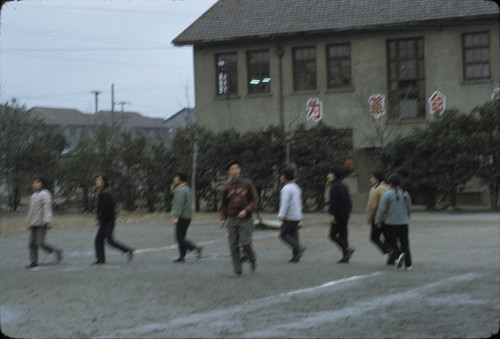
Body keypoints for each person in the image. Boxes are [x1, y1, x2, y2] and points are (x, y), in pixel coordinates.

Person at [220, 160, 259, 277]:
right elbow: (223, 204)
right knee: (233, 245)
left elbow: (254, 199)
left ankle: (252, 258)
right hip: (232, 219)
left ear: (240, 170)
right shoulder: (227, 186)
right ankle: (237, 270)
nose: (235, 171)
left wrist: (246, 210)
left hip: (245, 219)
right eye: (232, 169)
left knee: (245, 242)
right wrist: (223, 218)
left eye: (236, 168)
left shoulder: (247, 183)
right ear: (228, 172)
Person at [375, 173, 413, 271]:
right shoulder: (405, 193)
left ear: (390, 184)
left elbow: (382, 209)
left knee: (390, 241)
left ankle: (399, 254)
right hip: (404, 223)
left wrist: (378, 220)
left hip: (391, 223)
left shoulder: (388, 194)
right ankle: (408, 264)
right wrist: (406, 217)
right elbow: (409, 208)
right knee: (405, 243)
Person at [93, 175, 134, 264]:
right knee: (99, 240)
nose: (97, 182)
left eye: (99, 180)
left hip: (107, 220)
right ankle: (100, 259)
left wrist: (99, 219)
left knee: (108, 240)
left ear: (103, 182)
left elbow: (105, 208)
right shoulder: (104, 191)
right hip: (107, 220)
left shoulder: (104, 193)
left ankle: (127, 250)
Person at [26, 177, 62, 268]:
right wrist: (29, 222)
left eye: (36, 183)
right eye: (34, 183)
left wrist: (48, 221)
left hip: (42, 223)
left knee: (40, 242)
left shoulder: (45, 194)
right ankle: (34, 262)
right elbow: (31, 210)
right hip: (34, 222)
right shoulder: (33, 196)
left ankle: (56, 250)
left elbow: (48, 208)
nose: (34, 185)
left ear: (41, 184)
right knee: (32, 243)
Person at [170, 173, 202, 262]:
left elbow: (178, 204)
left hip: (182, 216)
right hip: (187, 216)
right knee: (182, 237)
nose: (174, 179)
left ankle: (194, 247)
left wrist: (176, 217)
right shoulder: (187, 188)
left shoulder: (180, 190)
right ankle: (182, 256)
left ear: (180, 179)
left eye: (176, 177)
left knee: (179, 238)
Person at [327, 165, 355, 263]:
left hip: (338, 214)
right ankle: (345, 255)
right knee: (343, 234)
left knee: (332, 235)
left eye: (330, 173)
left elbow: (333, 202)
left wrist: (332, 214)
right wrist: (349, 211)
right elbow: (349, 201)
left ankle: (347, 248)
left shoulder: (334, 186)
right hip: (345, 213)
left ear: (334, 175)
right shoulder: (344, 185)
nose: (328, 176)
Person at [278, 167, 306, 262]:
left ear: (285, 177)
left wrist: (281, 215)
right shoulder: (296, 187)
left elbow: (284, 203)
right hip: (297, 215)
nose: (281, 177)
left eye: (282, 175)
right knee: (294, 234)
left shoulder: (286, 188)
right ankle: (296, 256)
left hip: (290, 216)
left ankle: (297, 247)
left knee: (283, 234)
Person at [365, 169, 391, 258]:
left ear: (376, 178)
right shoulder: (388, 187)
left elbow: (371, 205)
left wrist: (368, 217)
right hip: (388, 217)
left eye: (372, 177)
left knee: (374, 237)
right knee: (387, 237)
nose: (370, 179)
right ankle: (391, 256)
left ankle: (389, 251)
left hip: (377, 217)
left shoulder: (375, 189)